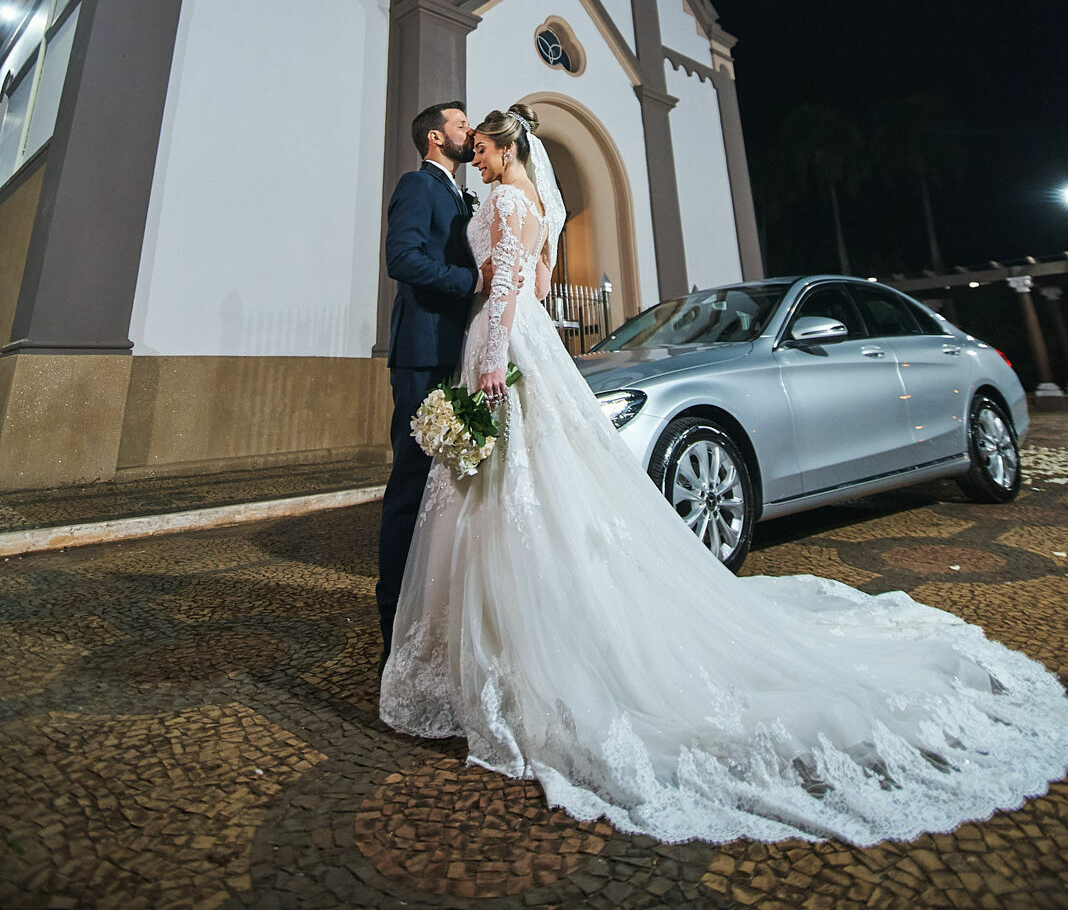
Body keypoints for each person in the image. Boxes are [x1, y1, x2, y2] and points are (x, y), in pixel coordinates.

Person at [380, 103, 1068, 846]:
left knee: (520, 492)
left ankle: (515, 645)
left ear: (505, 148)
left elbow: (516, 284)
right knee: (499, 494)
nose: (475, 153)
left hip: (502, 342)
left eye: (482, 144)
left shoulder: (510, 200)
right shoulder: (496, 196)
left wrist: (491, 352)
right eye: (467, 139)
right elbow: (522, 278)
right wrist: (488, 307)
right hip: (496, 340)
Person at [375, 102, 481, 666]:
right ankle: (393, 623)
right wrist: (471, 281)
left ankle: (433, 612)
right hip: (421, 354)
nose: (471, 130)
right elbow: (402, 258)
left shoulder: (461, 194)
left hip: (454, 352)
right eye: (462, 124)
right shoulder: (417, 185)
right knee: (412, 483)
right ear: (436, 138)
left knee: (446, 487)